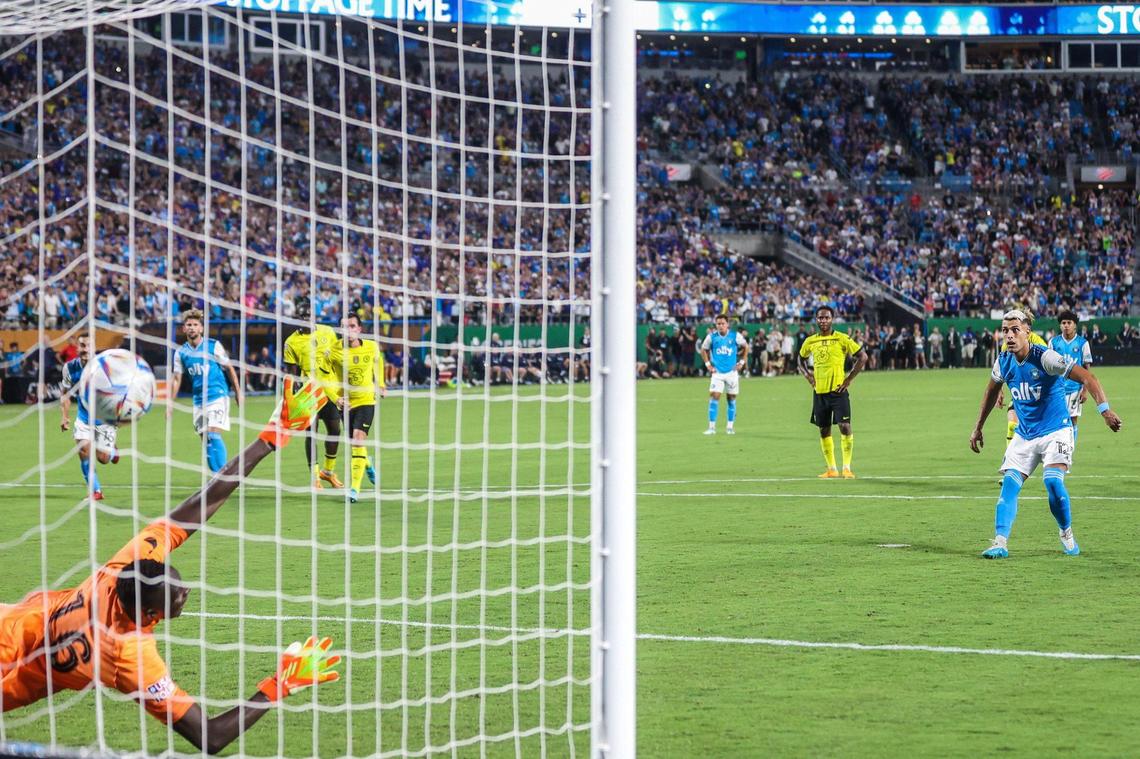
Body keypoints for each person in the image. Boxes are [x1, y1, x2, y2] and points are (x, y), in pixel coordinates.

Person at [2, 380, 341, 751]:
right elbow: (210, 737)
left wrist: (270, 438)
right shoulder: (127, 657)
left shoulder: (125, 566)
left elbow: (205, 501)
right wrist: (279, 685)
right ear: (150, 613)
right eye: (176, 598)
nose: (186, 591)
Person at [969, 309, 1122, 559]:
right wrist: (978, 427)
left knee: (1052, 481)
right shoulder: (1003, 361)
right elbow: (990, 392)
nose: (1009, 335)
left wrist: (1105, 411)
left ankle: (1066, 532)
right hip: (1025, 434)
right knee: (1008, 486)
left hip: (1056, 431)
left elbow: (1087, 377)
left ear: (1027, 332)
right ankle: (1000, 542)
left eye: (1015, 329)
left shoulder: (1046, 358)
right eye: (1005, 330)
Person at [168, 310, 243, 473]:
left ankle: (224, 479)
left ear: (201, 329)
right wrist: (170, 403)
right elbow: (176, 379)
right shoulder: (180, 353)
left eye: (195, 325)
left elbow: (229, 368)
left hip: (218, 396)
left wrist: (238, 391)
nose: (192, 328)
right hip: (198, 401)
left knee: (213, 435)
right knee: (206, 441)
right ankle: (218, 477)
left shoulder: (213, 346)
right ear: (183, 329)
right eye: (189, 325)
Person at [798, 306, 867, 479]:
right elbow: (800, 359)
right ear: (816, 319)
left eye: (826, 318)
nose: (823, 321)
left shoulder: (842, 338)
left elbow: (863, 357)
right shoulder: (810, 341)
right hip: (819, 392)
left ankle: (847, 468)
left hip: (838, 391)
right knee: (823, 430)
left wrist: (848, 379)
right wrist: (808, 376)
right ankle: (831, 469)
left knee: (845, 426)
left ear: (832, 319)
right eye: (820, 318)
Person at [283, 298, 344, 489]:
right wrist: (290, 397)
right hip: (309, 392)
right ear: (297, 317)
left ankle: (328, 471)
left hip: (331, 390)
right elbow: (290, 372)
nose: (306, 319)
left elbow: (338, 358)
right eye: (302, 316)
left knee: (335, 431)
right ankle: (315, 477)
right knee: (312, 433)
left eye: (309, 315)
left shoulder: (328, 331)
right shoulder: (291, 342)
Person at [328, 313, 385, 504]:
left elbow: (378, 361)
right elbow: (326, 378)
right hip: (346, 403)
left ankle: (354, 489)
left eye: (352, 326)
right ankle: (367, 463)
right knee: (355, 444)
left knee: (358, 440)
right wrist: (335, 398)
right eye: (344, 326)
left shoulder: (371, 347)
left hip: (366, 400)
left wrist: (381, 384)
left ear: (359, 329)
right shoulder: (334, 351)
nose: (349, 330)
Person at [59, 334, 118, 500]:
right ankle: (96, 491)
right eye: (82, 345)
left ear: (94, 348)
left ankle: (112, 451)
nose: (85, 349)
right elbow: (65, 394)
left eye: (88, 346)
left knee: (103, 458)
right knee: (84, 452)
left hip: (105, 417)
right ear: (77, 348)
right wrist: (64, 417)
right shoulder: (69, 368)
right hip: (83, 417)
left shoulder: (105, 367)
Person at [1049, 310, 1094, 448]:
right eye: (1063, 323)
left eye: (1069, 323)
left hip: (1075, 389)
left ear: (1075, 325)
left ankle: (1069, 450)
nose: (1066, 325)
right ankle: (1056, 450)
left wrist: (1085, 390)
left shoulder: (1082, 343)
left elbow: (1087, 369)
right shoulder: (1053, 342)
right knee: (1056, 421)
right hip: (1057, 388)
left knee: (1073, 421)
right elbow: (1048, 366)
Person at [700, 314, 748, 435]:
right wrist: (708, 365)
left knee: (731, 399)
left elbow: (746, 346)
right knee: (714, 397)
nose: (720, 326)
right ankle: (711, 428)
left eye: (722, 323)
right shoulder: (711, 337)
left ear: (727, 324)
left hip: (732, 373)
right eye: (718, 324)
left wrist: (741, 362)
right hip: (717, 373)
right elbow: (703, 349)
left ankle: (730, 427)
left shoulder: (735, 336)